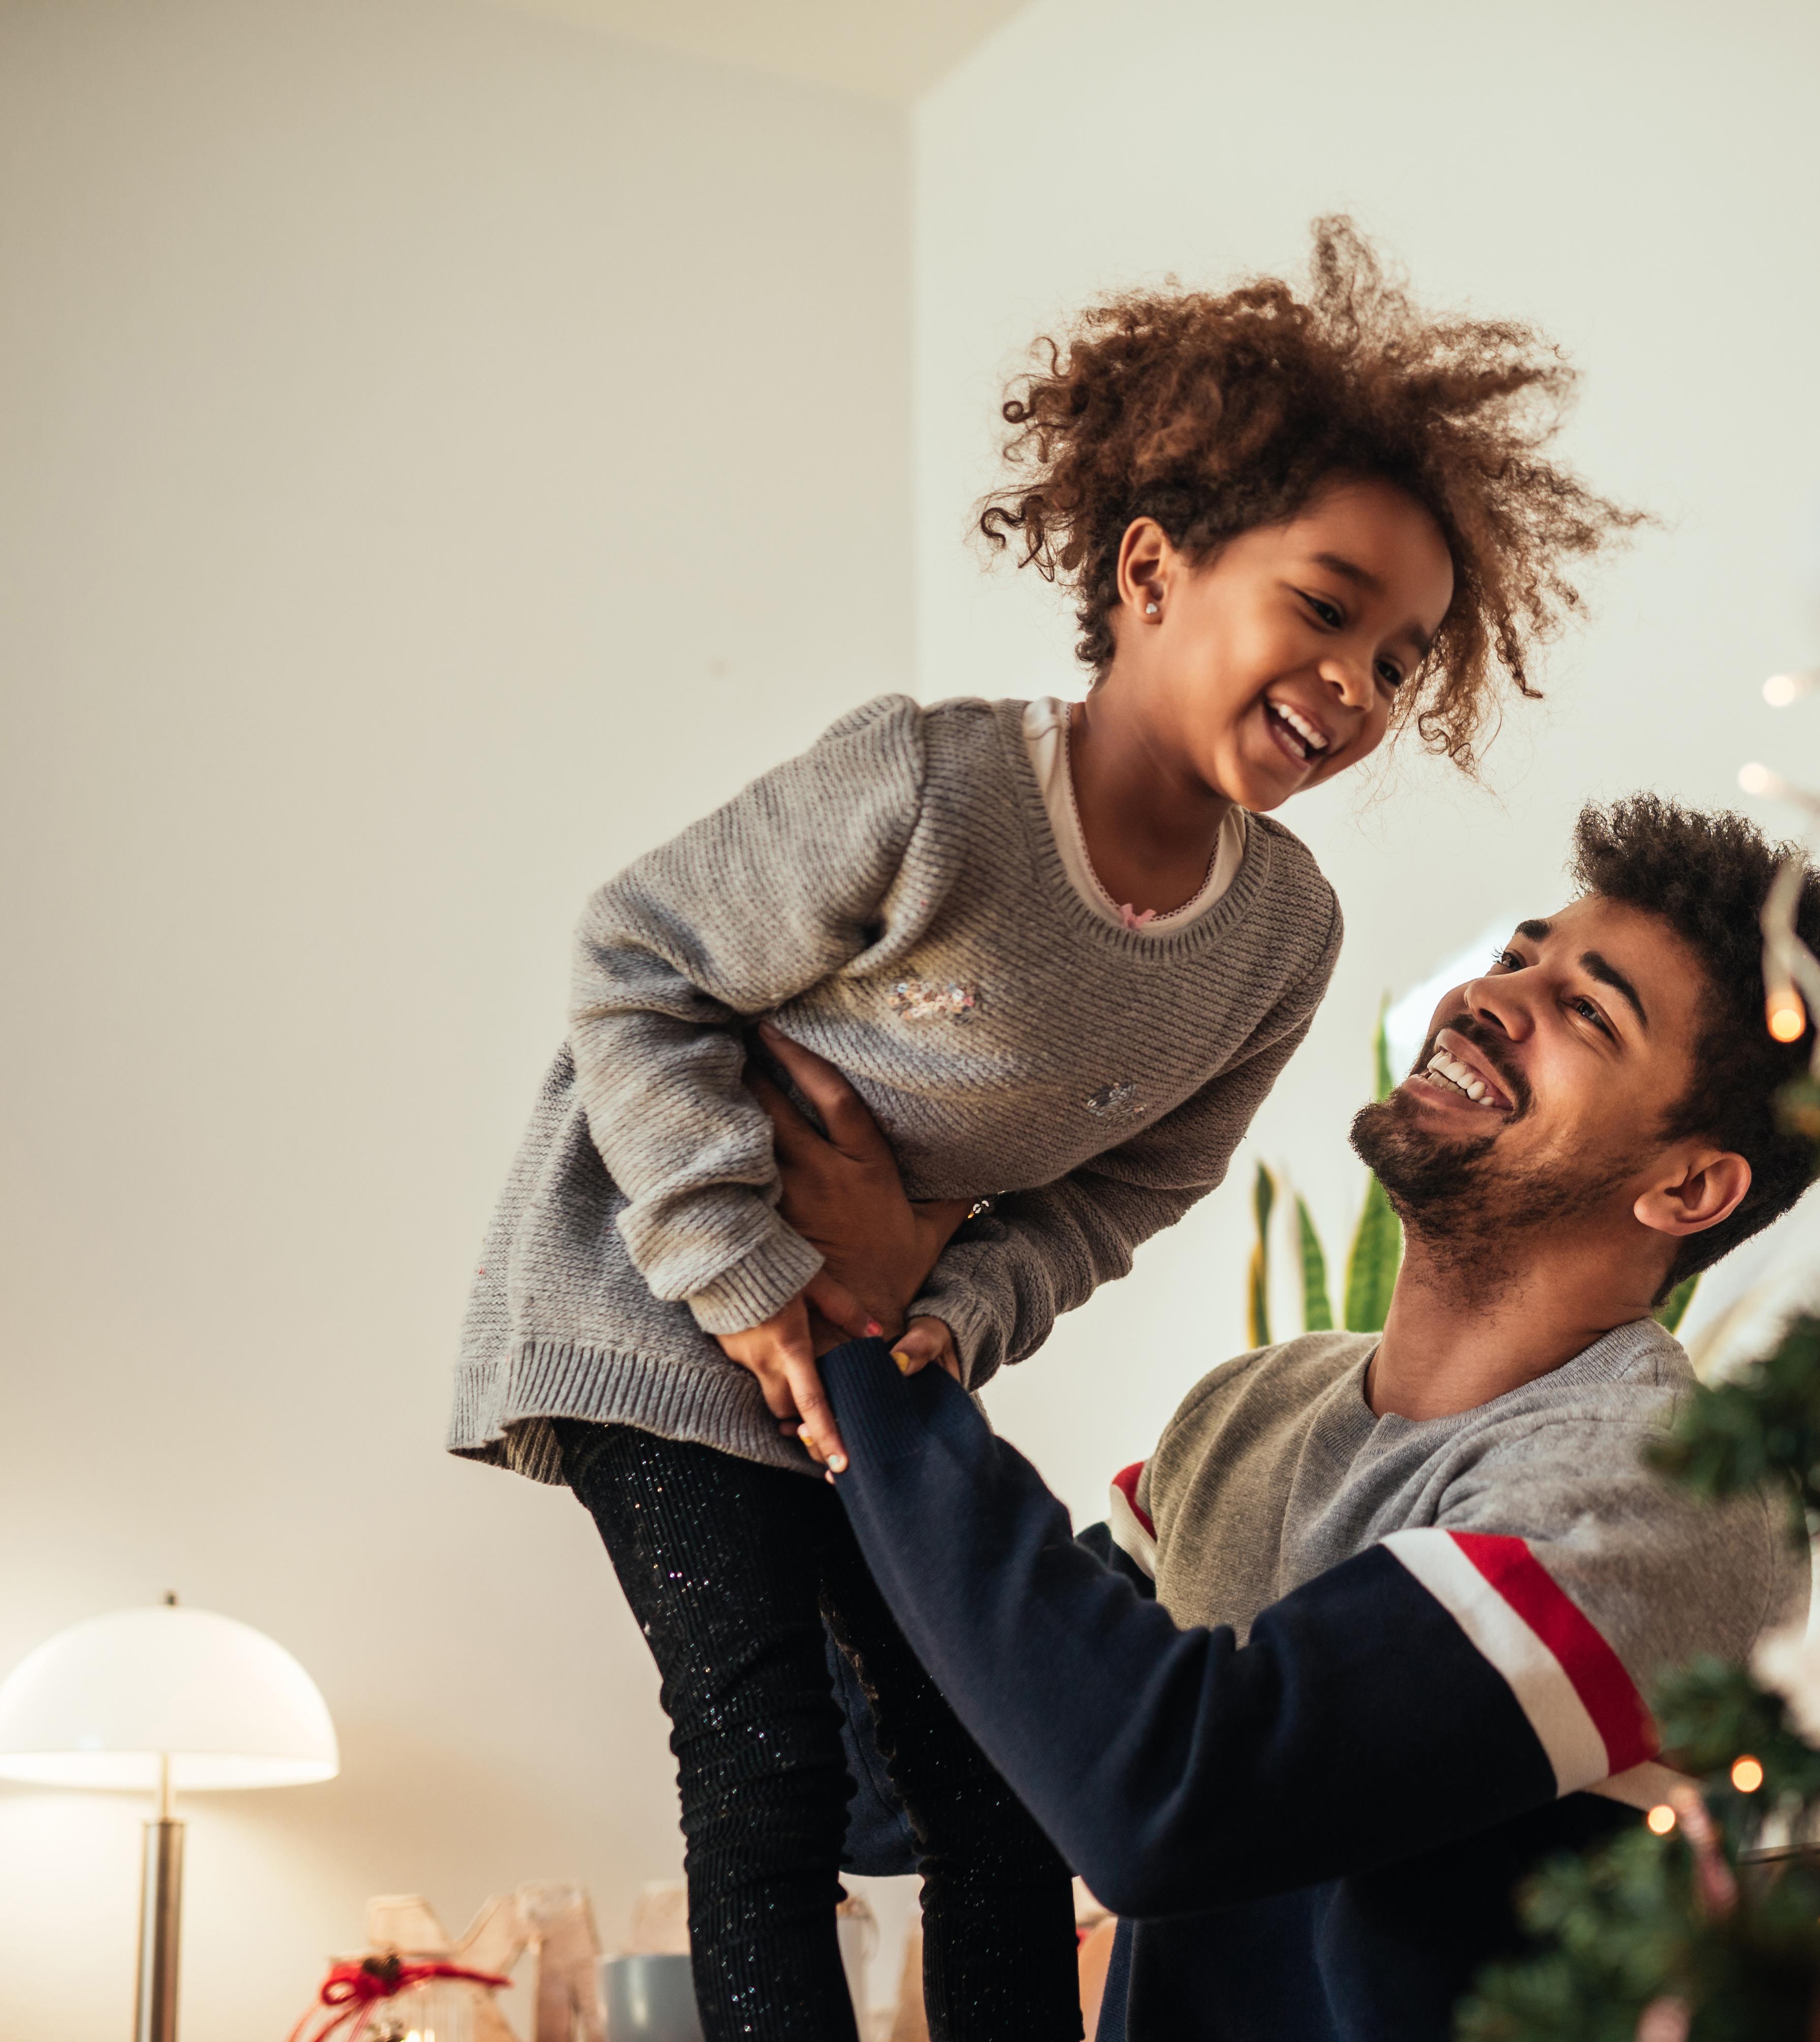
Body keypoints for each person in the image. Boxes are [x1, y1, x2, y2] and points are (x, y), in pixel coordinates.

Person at [445, 221, 1630, 2040]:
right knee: (760, 1764)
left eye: (1402, 659)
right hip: (649, 1306)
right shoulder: (930, 787)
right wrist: (750, 1269)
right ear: (1149, 569)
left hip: (862, 1349)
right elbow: (633, 961)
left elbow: (1127, 1191)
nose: (1359, 686)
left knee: (991, 1791)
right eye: (1323, 608)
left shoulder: (1281, 933)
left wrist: (943, 1311)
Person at [756, 796, 1820, 2041]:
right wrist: (786, 1354)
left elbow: (1164, 1797)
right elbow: (904, 1787)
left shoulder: (1666, 1488)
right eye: (1518, 955)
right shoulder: (1247, 1416)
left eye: (1589, 1012)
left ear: (1688, 1185)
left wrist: (867, 1340)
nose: (1495, 997)